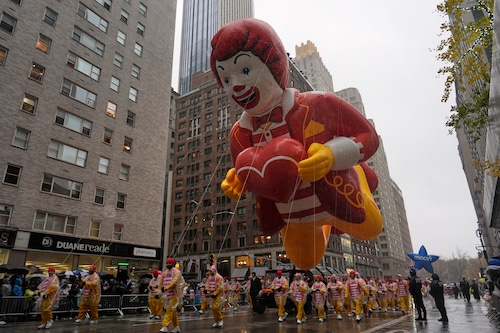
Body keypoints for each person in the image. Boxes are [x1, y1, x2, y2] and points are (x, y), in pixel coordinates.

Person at [211, 18, 382, 271]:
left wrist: (332, 155)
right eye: (226, 79)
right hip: (293, 214)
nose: (235, 85)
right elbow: (247, 170)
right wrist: (237, 179)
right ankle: (321, 226)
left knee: (370, 227)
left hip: (337, 194)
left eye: (245, 70)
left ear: (274, 63)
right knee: (304, 262)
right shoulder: (239, 134)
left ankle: (356, 177)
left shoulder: (317, 104)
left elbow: (368, 137)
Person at [159, 258, 183, 333]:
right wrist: (159, 291)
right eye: (167, 263)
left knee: (169, 310)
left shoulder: (177, 272)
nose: (168, 264)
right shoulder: (164, 273)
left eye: (170, 263)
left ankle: (165, 326)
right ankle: (176, 327)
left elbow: (174, 282)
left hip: (175, 294)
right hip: (167, 295)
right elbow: (160, 282)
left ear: (173, 264)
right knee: (172, 311)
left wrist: (166, 288)